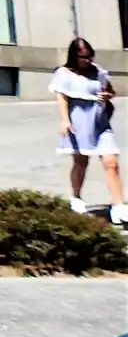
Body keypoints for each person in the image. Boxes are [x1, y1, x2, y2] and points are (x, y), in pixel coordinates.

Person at [52, 37, 126, 224]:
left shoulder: (98, 71)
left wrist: (108, 94)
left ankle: (118, 207)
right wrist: (65, 120)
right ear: (74, 56)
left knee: (112, 162)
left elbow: (110, 90)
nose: (87, 60)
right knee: (81, 162)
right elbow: (62, 97)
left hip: (100, 122)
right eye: (83, 57)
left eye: (89, 56)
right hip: (78, 121)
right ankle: (76, 197)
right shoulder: (64, 73)